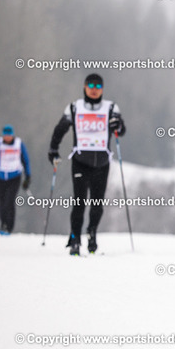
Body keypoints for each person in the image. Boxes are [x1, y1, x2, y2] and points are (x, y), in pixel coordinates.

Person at [48, 73, 126, 255]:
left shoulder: (111, 108)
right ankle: (75, 239)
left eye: (98, 86)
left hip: (102, 163)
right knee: (79, 202)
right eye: (90, 85)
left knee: (97, 204)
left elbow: (121, 130)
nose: (94, 89)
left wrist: (118, 126)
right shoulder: (74, 108)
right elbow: (60, 129)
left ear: (103, 89)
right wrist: (53, 150)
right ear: (84, 87)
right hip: (80, 162)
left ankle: (92, 233)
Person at [0, 125, 31, 235]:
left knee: (9, 201)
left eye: (9, 135)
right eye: (5, 135)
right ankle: (3, 224)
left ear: (12, 135)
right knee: (2, 202)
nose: (7, 137)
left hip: (15, 177)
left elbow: (25, 160)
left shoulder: (18, 144)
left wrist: (28, 176)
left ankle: (9, 227)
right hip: (1, 176)